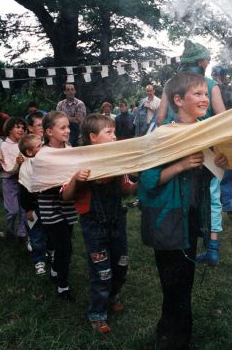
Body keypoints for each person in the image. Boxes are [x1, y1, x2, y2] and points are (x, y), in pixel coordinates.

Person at [138, 71, 228, 349]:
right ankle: (169, 339)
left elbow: (209, 171)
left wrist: (220, 160)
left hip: (189, 221)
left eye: (205, 93)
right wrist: (180, 165)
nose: (205, 99)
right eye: (198, 94)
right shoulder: (164, 134)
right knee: (173, 286)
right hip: (167, 221)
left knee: (184, 285)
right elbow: (147, 182)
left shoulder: (204, 130)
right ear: (178, 99)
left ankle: (177, 337)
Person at [62, 114, 136, 333]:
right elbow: (66, 195)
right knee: (101, 271)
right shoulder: (80, 163)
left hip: (117, 224)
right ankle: (98, 312)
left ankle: (112, 296)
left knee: (120, 266)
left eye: (114, 131)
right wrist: (77, 179)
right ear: (93, 137)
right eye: (109, 132)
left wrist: (140, 179)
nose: (115, 136)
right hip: (94, 227)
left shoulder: (116, 160)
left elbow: (126, 189)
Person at [157, 40, 228, 267]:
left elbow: (159, 119)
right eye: (207, 59)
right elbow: (223, 117)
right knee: (212, 193)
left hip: (173, 142)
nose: (208, 63)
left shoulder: (171, 83)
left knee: (176, 188)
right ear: (201, 61)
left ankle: (178, 237)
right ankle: (213, 248)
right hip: (203, 144)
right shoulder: (209, 83)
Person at [38, 111, 78, 301]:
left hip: (68, 206)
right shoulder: (43, 154)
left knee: (65, 242)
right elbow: (41, 182)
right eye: (62, 128)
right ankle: (63, 285)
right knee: (65, 247)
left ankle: (55, 267)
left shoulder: (70, 149)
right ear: (49, 132)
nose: (67, 131)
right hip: (51, 208)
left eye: (68, 127)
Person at [211, 65, 232, 217]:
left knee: (218, 168)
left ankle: (222, 204)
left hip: (216, 134)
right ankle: (229, 205)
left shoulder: (210, 90)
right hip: (229, 132)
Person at [18, 133, 49, 276]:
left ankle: (50, 252)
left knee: (50, 232)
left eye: (42, 144)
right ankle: (39, 260)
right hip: (34, 207)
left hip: (48, 205)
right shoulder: (25, 168)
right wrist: (28, 209)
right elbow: (24, 191)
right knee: (36, 234)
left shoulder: (48, 162)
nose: (43, 147)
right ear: (30, 152)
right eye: (39, 146)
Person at [0, 117, 27, 241]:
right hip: (9, 181)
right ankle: (9, 229)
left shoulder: (24, 144)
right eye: (18, 127)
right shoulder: (1, 145)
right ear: (9, 129)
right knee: (13, 210)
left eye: (23, 128)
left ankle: (22, 233)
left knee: (24, 208)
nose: (21, 130)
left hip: (24, 180)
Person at [56, 82, 87, 146]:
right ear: (64, 92)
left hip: (77, 131)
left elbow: (78, 120)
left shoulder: (80, 104)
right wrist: (72, 118)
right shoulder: (60, 104)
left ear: (75, 91)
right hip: (63, 129)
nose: (70, 91)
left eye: (72, 89)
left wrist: (64, 117)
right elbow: (57, 119)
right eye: (68, 90)